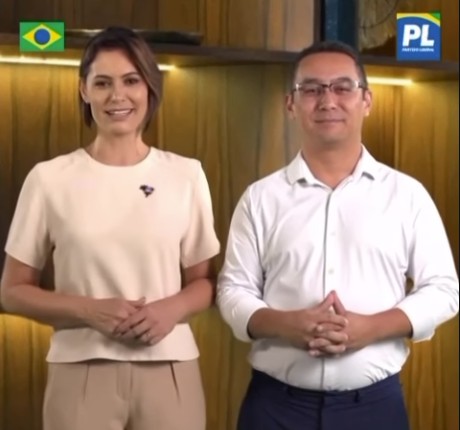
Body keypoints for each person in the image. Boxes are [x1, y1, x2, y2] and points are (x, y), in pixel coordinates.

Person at [216, 40, 459, 430]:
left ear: (366, 100)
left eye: (343, 87)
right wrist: (285, 325)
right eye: (311, 89)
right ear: (291, 104)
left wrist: (372, 328)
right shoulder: (260, 198)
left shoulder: (407, 195)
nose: (327, 100)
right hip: (275, 408)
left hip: (374, 408)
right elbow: (233, 290)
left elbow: (443, 289)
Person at [0, 26, 220, 430]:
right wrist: (88, 310)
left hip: (170, 366)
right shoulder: (48, 179)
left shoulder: (187, 175)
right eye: (103, 83)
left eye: (131, 81)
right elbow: (12, 291)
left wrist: (169, 310)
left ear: (150, 87)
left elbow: (205, 283)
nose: (118, 96)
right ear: (84, 90)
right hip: (79, 369)